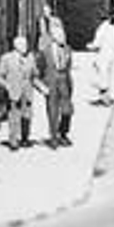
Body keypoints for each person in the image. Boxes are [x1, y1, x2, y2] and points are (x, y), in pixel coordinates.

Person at [36, 17, 75, 147]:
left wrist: (70, 84)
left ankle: (63, 133)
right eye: (60, 35)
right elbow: (39, 70)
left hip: (64, 81)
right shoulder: (45, 51)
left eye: (63, 35)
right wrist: (41, 86)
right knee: (52, 111)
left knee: (67, 110)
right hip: (51, 83)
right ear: (53, 37)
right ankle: (53, 137)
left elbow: (69, 67)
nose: (63, 37)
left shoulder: (68, 49)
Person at [0, 34, 38, 148]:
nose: (26, 47)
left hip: (27, 92)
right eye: (23, 45)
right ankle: (13, 140)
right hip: (13, 92)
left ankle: (25, 138)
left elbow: (34, 75)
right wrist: (7, 86)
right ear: (16, 46)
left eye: (26, 44)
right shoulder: (6, 58)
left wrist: (41, 87)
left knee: (27, 116)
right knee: (13, 117)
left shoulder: (31, 57)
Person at [90, 12, 114, 105]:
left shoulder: (102, 28)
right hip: (112, 53)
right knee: (110, 76)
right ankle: (110, 96)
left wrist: (91, 46)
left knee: (103, 77)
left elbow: (97, 42)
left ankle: (104, 99)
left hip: (103, 54)